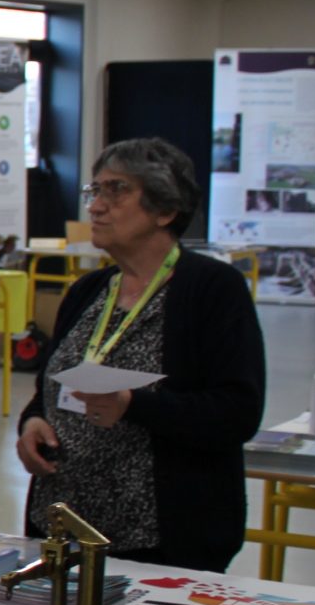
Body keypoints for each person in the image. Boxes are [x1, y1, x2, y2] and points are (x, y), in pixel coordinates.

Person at [17, 139, 264, 571]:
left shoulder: (212, 289)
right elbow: (47, 391)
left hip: (161, 544)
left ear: (165, 209)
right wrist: (33, 422)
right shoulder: (87, 291)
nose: (96, 207)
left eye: (116, 191)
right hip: (64, 532)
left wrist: (134, 405)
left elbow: (238, 412)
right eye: (95, 191)